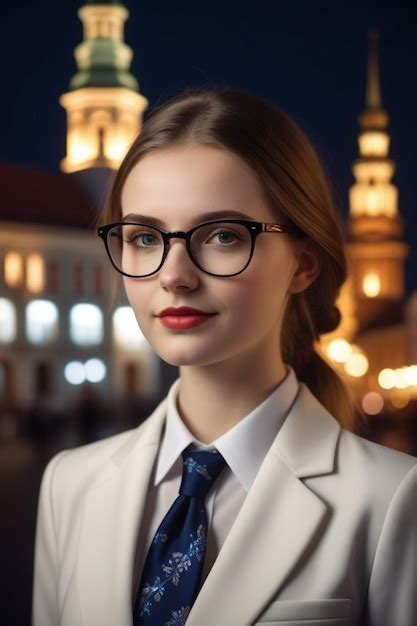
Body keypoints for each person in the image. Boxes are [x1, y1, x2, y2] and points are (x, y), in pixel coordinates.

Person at [32, 88, 416, 626]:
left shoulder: (394, 498)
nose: (174, 274)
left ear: (303, 263)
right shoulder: (69, 484)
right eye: (145, 237)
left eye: (222, 235)